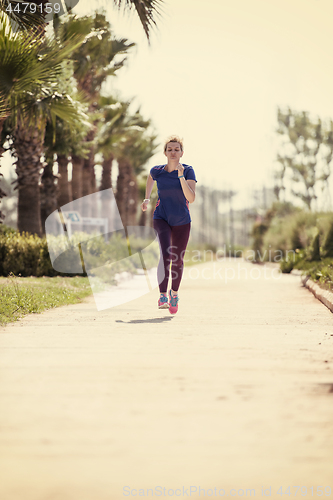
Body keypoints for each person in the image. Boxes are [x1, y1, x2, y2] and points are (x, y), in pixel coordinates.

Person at [141, 136, 197, 314]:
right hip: (161, 217)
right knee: (165, 255)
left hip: (182, 220)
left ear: (182, 153)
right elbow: (151, 177)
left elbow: (191, 198)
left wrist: (180, 176)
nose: (173, 152)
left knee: (177, 258)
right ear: (165, 152)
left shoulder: (188, 171)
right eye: (170, 149)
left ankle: (174, 293)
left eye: (176, 149)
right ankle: (163, 295)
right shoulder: (157, 170)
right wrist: (147, 198)